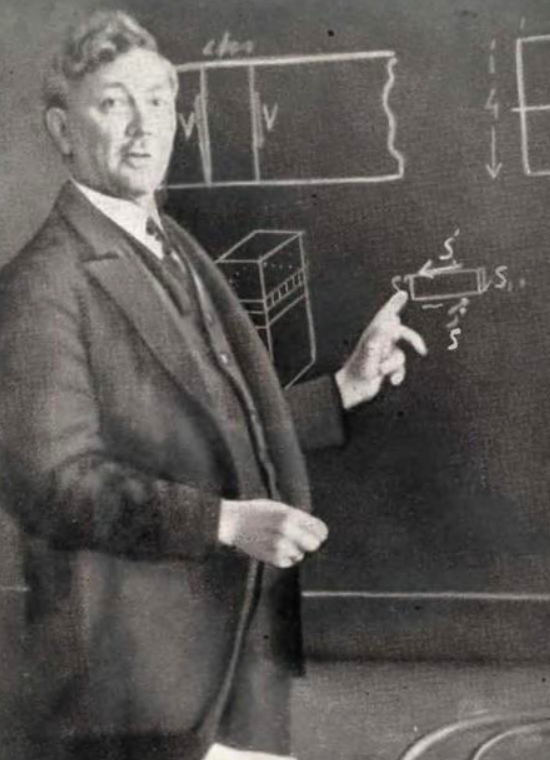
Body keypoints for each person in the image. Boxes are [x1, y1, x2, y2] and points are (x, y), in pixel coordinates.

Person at [0, 10, 427, 760]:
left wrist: (342, 390)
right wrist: (223, 523)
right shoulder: (41, 285)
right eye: (113, 104)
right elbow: (52, 484)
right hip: (139, 687)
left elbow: (212, 422)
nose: (144, 126)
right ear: (63, 130)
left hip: (235, 656)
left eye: (157, 101)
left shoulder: (169, 241)